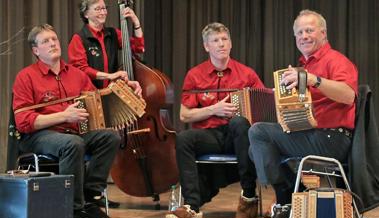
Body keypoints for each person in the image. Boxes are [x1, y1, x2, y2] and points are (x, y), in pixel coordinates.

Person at [248, 9, 358, 218]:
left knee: (259, 133)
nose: (304, 36)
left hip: (331, 138)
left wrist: (313, 79)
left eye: (309, 30)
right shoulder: (306, 66)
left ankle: (284, 199)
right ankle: (293, 194)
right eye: (299, 32)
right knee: (255, 150)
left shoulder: (336, 60)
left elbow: (348, 96)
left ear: (323, 34)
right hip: (313, 134)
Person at [12, 24, 120, 218]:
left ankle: (91, 194)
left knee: (110, 137)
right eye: (46, 41)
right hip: (38, 136)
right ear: (35, 50)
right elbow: (23, 122)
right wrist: (63, 116)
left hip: (73, 134)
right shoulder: (25, 77)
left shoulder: (77, 75)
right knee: (73, 143)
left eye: (54, 39)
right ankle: (74, 208)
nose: (53, 43)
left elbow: (98, 100)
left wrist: (122, 88)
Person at [169, 22, 265, 218]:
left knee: (239, 123)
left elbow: (263, 110)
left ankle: (248, 196)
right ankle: (191, 206)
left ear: (230, 44)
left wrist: (243, 111)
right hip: (209, 135)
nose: (221, 44)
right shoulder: (195, 75)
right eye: (215, 40)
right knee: (184, 139)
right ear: (206, 46)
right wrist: (214, 109)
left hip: (238, 137)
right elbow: (184, 115)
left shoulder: (247, 73)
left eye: (224, 39)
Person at [68, 0, 142, 96]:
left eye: (104, 8)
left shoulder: (113, 33)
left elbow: (138, 48)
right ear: (86, 14)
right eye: (97, 9)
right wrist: (109, 76)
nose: (103, 12)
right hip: (90, 95)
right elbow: (81, 69)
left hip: (113, 94)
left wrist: (136, 23)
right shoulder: (78, 38)